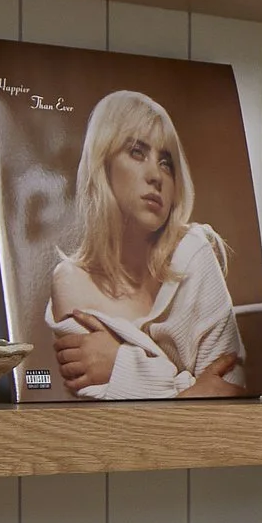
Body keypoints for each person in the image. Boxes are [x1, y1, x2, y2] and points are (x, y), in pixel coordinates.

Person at [46, 89, 247, 399]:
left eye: (166, 163)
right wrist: (192, 391)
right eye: (137, 152)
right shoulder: (71, 282)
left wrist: (122, 366)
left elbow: (229, 390)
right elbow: (106, 413)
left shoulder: (194, 253)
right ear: (103, 164)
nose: (156, 176)